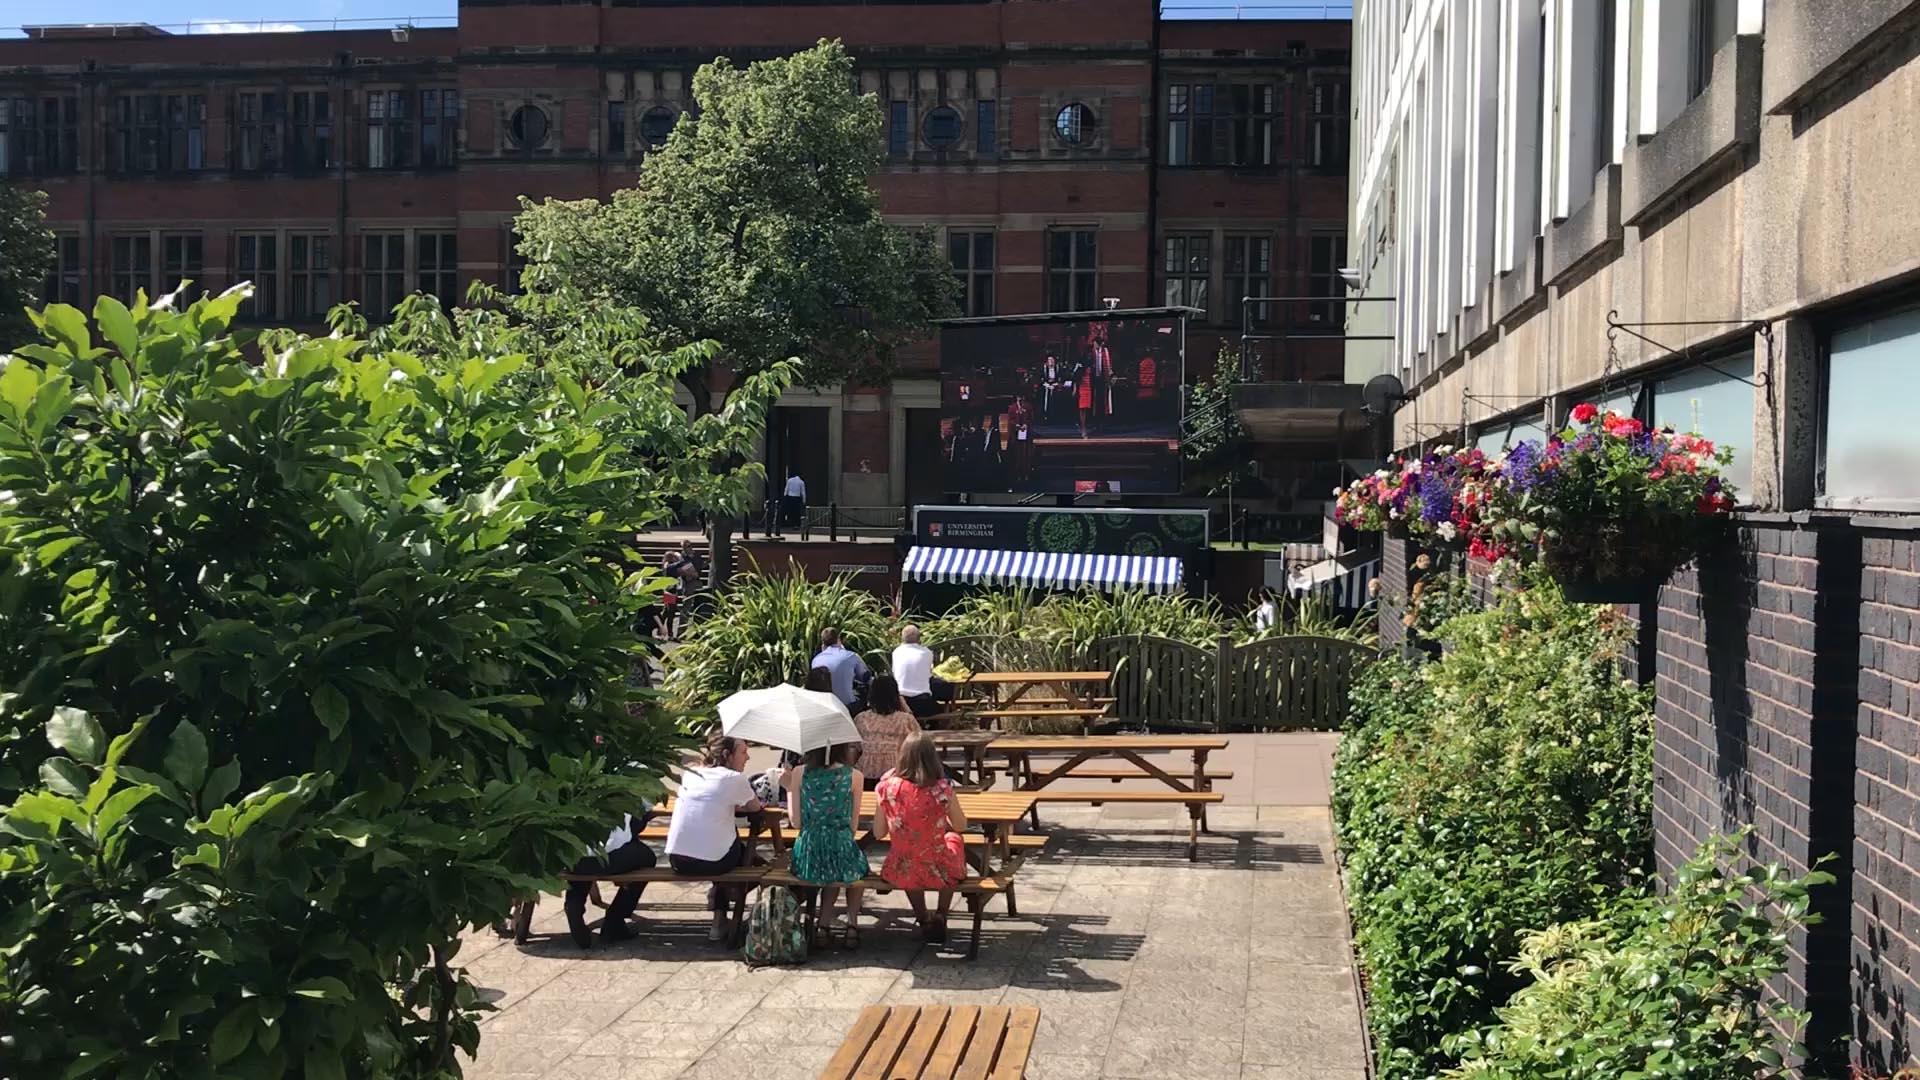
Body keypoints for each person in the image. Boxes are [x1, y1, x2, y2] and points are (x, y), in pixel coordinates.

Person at [665, 733, 764, 942]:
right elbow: (756, 809)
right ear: (728, 755)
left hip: (677, 859)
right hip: (713, 862)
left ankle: (719, 913)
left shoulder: (692, 773)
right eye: (743, 752)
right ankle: (724, 914)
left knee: (720, 837)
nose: (748, 758)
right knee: (750, 862)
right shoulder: (733, 778)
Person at [873, 731, 969, 943]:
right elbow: (961, 826)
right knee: (953, 839)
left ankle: (923, 917)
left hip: (901, 867)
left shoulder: (886, 788)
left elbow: (878, 833)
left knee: (911, 858)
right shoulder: (942, 788)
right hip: (937, 866)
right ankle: (941, 913)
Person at [786, 742, 870, 948]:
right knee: (857, 869)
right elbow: (853, 827)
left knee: (831, 871)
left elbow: (796, 823)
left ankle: (823, 924)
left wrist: (789, 789)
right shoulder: (854, 776)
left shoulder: (798, 773)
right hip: (839, 845)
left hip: (808, 851)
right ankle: (852, 924)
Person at [565, 801, 657, 949]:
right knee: (647, 858)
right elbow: (638, 821)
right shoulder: (634, 781)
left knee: (584, 858)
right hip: (611, 858)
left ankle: (574, 903)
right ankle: (615, 920)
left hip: (573, 856)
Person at [853, 675, 921, 785]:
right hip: (897, 775)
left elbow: (854, 748)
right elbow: (918, 743)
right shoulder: (906, 720)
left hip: (866, 775)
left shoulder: (862, 719)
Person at [810, 627, 869, 709]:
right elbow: (865, 677)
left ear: (823, 644)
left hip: (825, 707)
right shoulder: (851, 656)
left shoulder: (815, 660)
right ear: (838, 640)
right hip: (848, 706)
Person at [891, 625, 940, 720]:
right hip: (923, 704)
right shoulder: (927, 653)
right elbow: (928, 674)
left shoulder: (896, 652)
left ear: (902, 639)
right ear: (919, 639)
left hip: (901, 703)